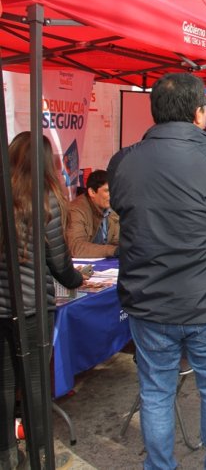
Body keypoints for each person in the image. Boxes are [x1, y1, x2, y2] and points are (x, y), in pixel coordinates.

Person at [107, 73, 206, 470]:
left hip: (149, 301)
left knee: (156, 390)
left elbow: (123, 210)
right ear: (199, 113)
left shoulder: (124, 162)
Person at [1, 132, 84, 469]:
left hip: (3, 309)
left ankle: (6, 454)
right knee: (35, 385)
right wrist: (77, 280)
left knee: (5, 385)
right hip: (32, 308)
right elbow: (59, 262)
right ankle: (40, 456)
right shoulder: (46, 200)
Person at [65, 170, 120, 258]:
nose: (112, 195)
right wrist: (113, 250)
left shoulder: (112, 209)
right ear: (92, 192)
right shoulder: (76, 210)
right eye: (107, 191)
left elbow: (117, 240)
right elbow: (76, 248)